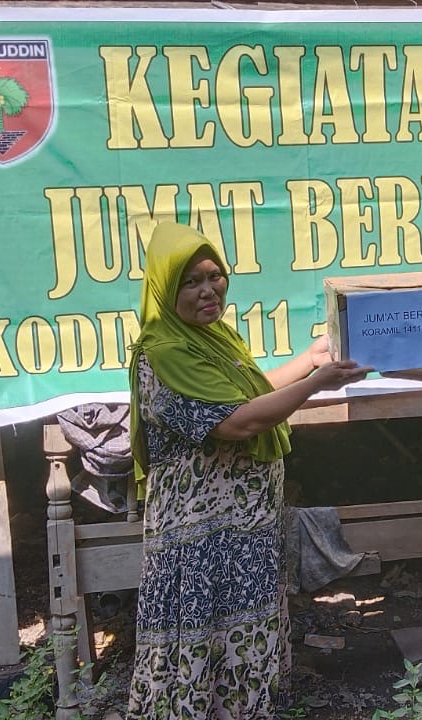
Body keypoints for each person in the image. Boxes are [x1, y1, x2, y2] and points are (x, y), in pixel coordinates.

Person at [125, 221, 370, 719]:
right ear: (164, 289)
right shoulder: (166, 353)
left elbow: (250, 392)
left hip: (244, 531)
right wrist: (317, 383)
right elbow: (236, 422)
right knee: (199, 638)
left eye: (214, 275)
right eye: (189, 282)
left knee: (242, 632)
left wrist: (307, 360)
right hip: (200, 539)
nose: (208, 289)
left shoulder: (211, 338)